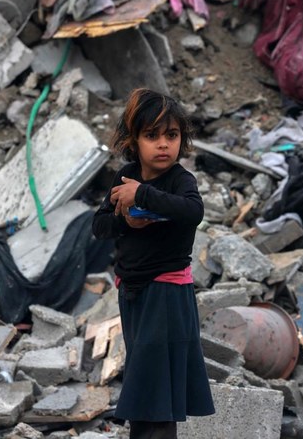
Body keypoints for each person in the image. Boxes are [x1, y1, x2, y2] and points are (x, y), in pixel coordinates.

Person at [92, 88, 215, 439]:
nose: (163, 144)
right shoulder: (125, 177)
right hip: (133, 294)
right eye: (152, 135)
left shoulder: (179, 180)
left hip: (166, 293)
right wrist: (126, 221)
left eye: (172, 135)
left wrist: (142, 195)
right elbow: (98, 226)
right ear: (134, 140)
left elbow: (193, 212)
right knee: (146, 383)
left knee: (158, 388)